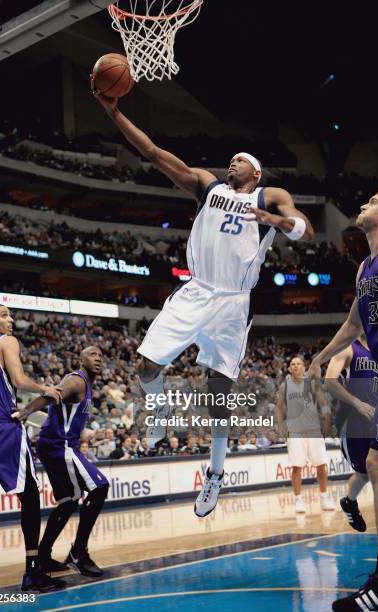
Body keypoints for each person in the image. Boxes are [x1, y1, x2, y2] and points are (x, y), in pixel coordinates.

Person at [92, 85, 314, 518]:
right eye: (231, 159)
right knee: (144, 367)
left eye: (241, 160)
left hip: (233, 302)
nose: (232, 162)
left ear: (256, 173)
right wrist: (113, 112)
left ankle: (215, 473)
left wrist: (276, 220)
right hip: (197, 290)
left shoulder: (267, 196)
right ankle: (160, 414)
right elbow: (155, 153)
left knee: (218, 394)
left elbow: (302, 225)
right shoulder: (206, 186)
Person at [308, 192, 378, 610]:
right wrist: (320, 357)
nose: (364, 204)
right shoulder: (363, 270)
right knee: (375, 466)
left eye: (373, 200)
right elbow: (354, 323)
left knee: (376, 466)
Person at [0, 304, 64, 592]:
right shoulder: (6, 341)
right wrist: (46, 390)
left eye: (11, 315)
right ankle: (32, 573)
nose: (11, 320)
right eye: (4, 315)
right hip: (3, 428)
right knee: (29, 497)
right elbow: (19, 381)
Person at [15, 346, 109, 579]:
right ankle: (78, 553)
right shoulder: (76, 381)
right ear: (81, 358)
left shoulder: (88, 386)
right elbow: (52, 394)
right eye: (92, 354)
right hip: (60, 446)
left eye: (101, 356)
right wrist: (27, 410)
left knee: (68, 501)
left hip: (57, 445)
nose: (98, 358)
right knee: (100, 487)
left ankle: (43, 556)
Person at [325, 334, 376, 531]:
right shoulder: (349, 347)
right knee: (363, 474)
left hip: (377, 420)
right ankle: (349, 502)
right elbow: (330, 380)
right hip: (354, 421)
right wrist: (357, 403)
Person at [276, 356, 335, 513]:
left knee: (321, 465)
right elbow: (279, 408)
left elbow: (323, 403)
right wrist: (281, 425)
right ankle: (298, 500)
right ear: (289, 369)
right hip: (295, 431)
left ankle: (324, 497)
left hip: (314, 430)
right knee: (297, 467)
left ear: (304, 367)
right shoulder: (285, 386)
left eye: (298, 364)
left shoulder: (312, 384)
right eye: (292, 364)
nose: (295, 366)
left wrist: (328, 419)